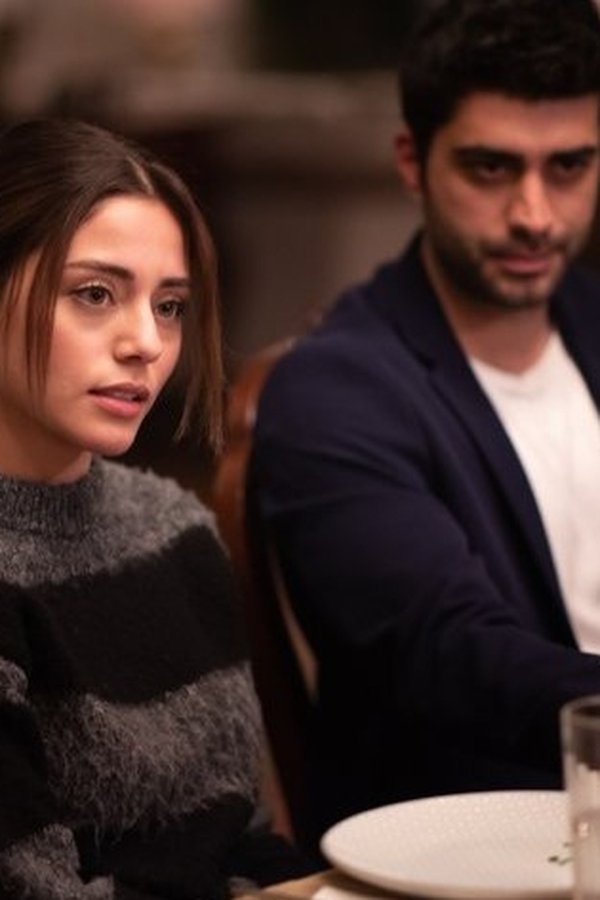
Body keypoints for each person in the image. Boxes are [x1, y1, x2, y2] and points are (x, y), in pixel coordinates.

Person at [253, 0, 600, 845]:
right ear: (412, 161)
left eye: (568, 166)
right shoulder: (333, 390)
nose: (535, 214)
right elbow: (452, 656)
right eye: (490, 168)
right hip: (468, 850)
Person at [0, 118, 312, 899]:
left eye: (169, 306)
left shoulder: (176, 530)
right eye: (94, 294)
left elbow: (243, 836)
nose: (145, 341)